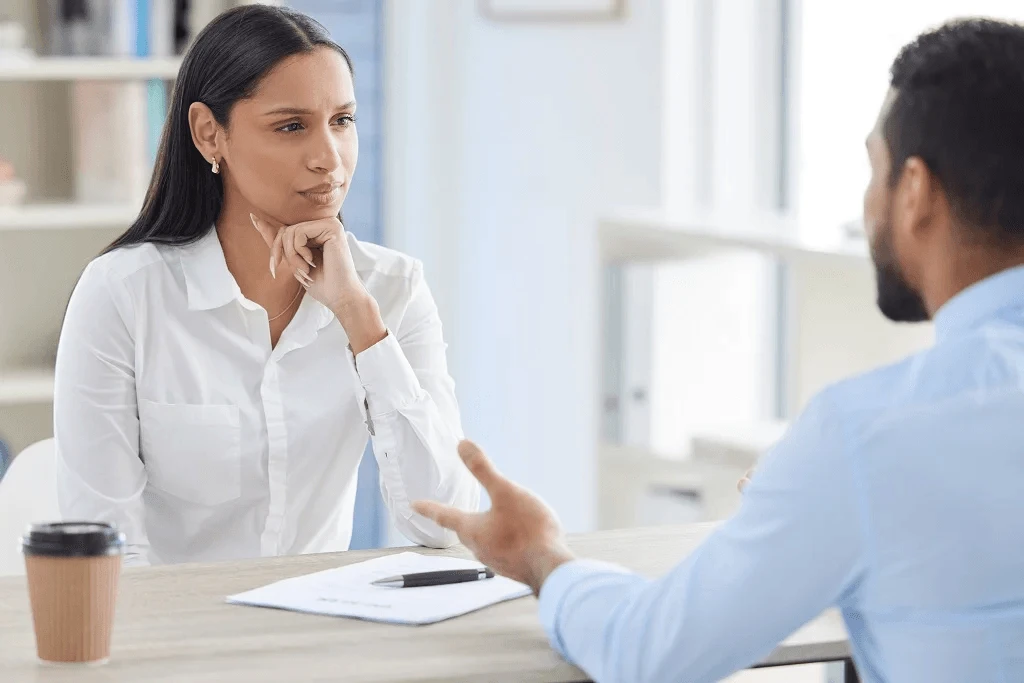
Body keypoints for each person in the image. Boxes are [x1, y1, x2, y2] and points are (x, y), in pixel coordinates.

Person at [414, 18, 1024, 683]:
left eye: (872, 169)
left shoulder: (869, 436)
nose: (867, 203)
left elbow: (648, 650)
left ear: (914, 190)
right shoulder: (868, 446)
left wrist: (539, 554)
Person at [54, 5, 479, 567]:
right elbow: (105, 547)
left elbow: (444, 523)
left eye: (342, 121)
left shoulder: (391, 290)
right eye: (291, 126)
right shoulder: (123, 294)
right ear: (210, 133)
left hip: (316, 629)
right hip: (175, 639)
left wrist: (358, 318)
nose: (329, 159)